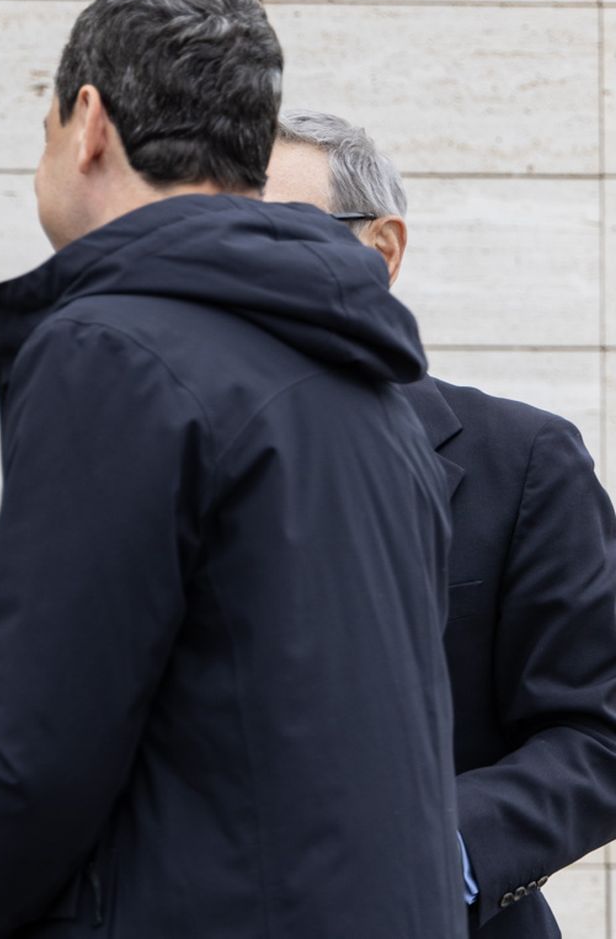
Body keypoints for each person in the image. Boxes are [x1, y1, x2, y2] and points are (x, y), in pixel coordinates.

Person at [0, 0, 464, 938]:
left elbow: (44, 750)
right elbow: (231, 736)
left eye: (43, 130)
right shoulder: (365, 378)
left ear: (89, 126)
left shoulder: (115, 350)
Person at [266, 107, 616, 937]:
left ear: (380, 251)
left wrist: (434, 845)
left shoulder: (522, 460)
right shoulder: (157, 468)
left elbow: (600, 727)